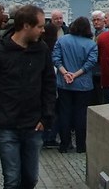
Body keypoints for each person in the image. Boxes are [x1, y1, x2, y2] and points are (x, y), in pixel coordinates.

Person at [0, 4, 55, 189]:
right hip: (6, 125)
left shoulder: (42, 49)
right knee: (12, 178)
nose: (42, 29)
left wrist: (46, 116)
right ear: (26, 26)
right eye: (39, 26)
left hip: (33, 125)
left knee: (30, 178)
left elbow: (49, 84)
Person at [51, 16, 97, 154]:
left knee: (64, 113)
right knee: (81, 114)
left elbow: (55, 58)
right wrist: (76, 74)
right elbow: (91, 63)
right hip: (83, 84)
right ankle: (81, 146)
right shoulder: (91, 44)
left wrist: (65, 73)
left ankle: (64, 144)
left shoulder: (62, 40)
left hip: (64, 83)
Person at [40, 10, 65, 148]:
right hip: (55, 82)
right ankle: (50, 137)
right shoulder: (55, 48)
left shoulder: (40, 47)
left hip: (43, 83)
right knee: (55, 110)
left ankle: (44, 136)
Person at [89, 11, 107, 104]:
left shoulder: (106, 34)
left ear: (104, 21)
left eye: (98, 20)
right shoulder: (92, 35)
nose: (96, 22)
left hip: (102, 70)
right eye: (94, 20)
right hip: (93, 71)